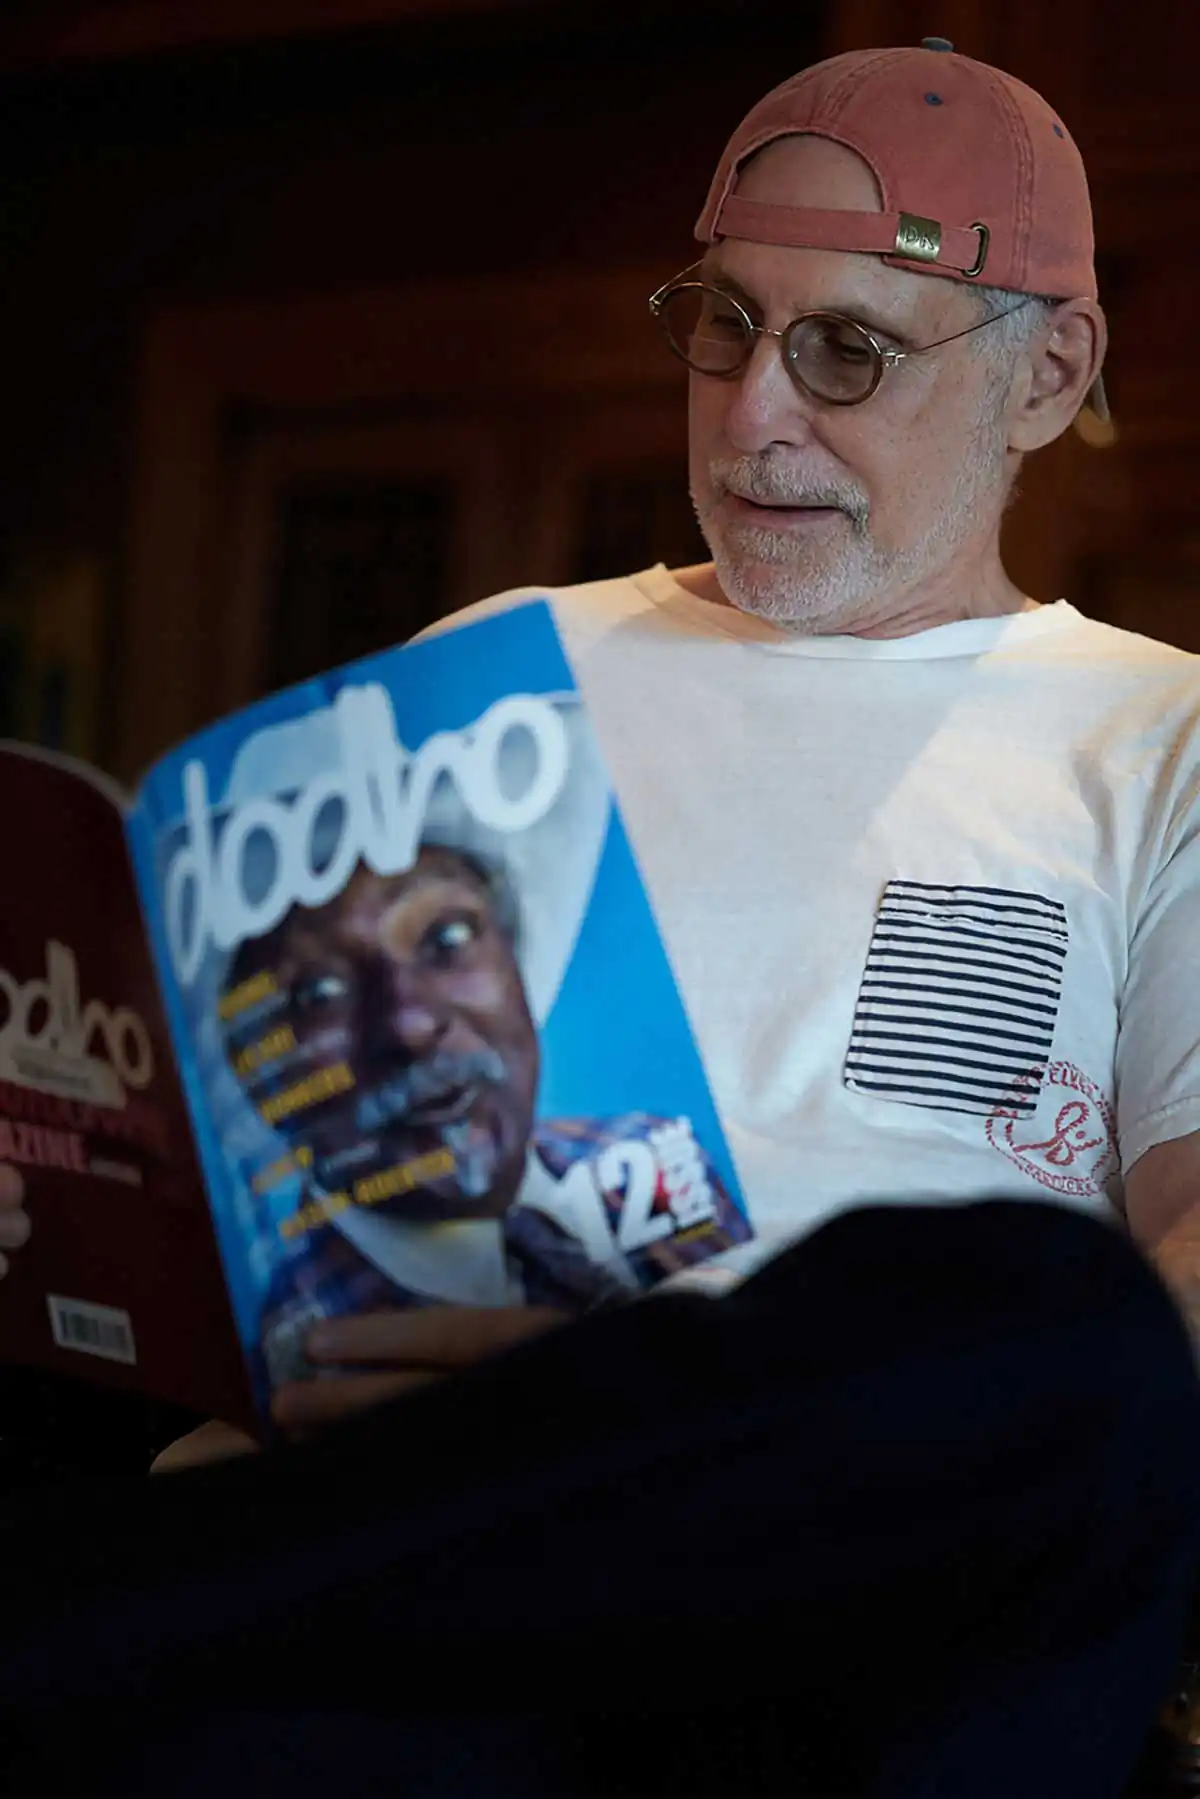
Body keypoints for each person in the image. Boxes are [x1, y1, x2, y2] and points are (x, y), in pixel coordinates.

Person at [3, 42, 1200, 1797]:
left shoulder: (1158, 734)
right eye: (723, 325)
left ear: (1049, 375)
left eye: (845, 350)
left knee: (1069, 1330)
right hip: (413, 1519)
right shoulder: (492, 673)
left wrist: (655, 1394)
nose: (751, 412)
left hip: (833, 1588)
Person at [219, 844, 746, 1387]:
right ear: (254, 1076)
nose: (409, 1025)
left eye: (447, 939)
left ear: (517, 962)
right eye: (318, 995)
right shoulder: (296, 1352)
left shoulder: (650, 1153)